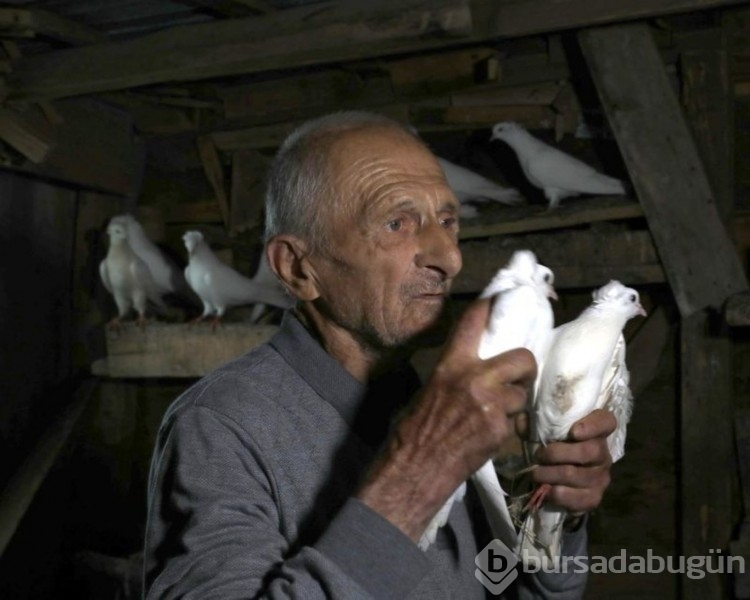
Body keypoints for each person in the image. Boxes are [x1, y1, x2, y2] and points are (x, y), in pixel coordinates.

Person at [143, 111, 615, 599]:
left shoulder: (445, 403)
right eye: (397, 223)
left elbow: (527, 593)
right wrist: (421, 472)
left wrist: (552, 516)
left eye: (448, 221)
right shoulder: (221, 425)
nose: (450, 257)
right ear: (298, 267)